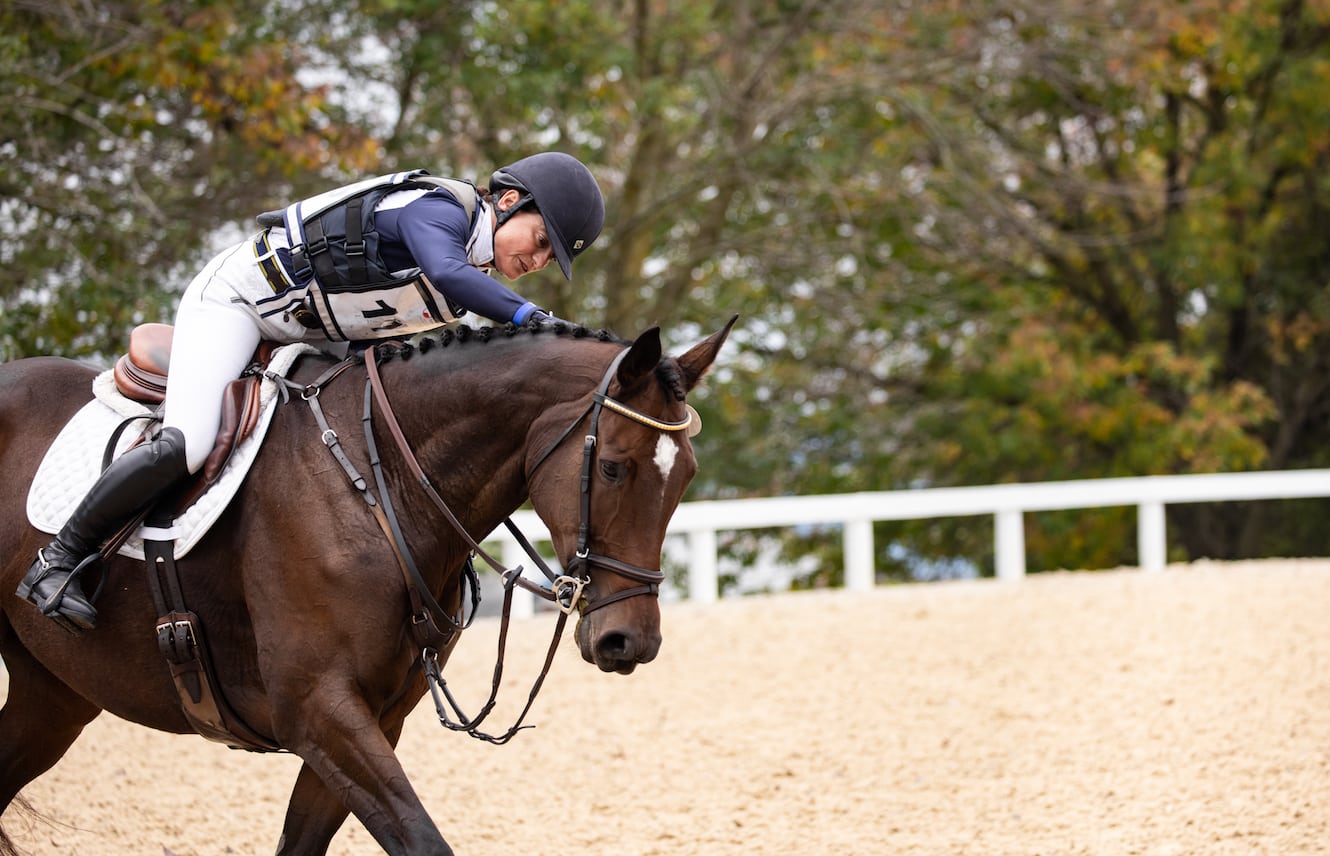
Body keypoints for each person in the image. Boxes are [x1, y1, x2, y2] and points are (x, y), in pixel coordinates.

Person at [18, 151, 605, 631]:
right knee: (192, 441)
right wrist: (536, 320)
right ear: (507, 201)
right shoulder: (439, 211)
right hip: (242, 305)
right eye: (541, 238)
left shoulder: (466, 283)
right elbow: (445, 271)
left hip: (310, 338)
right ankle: (59, 557)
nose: (538, 258)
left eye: (551, 256)